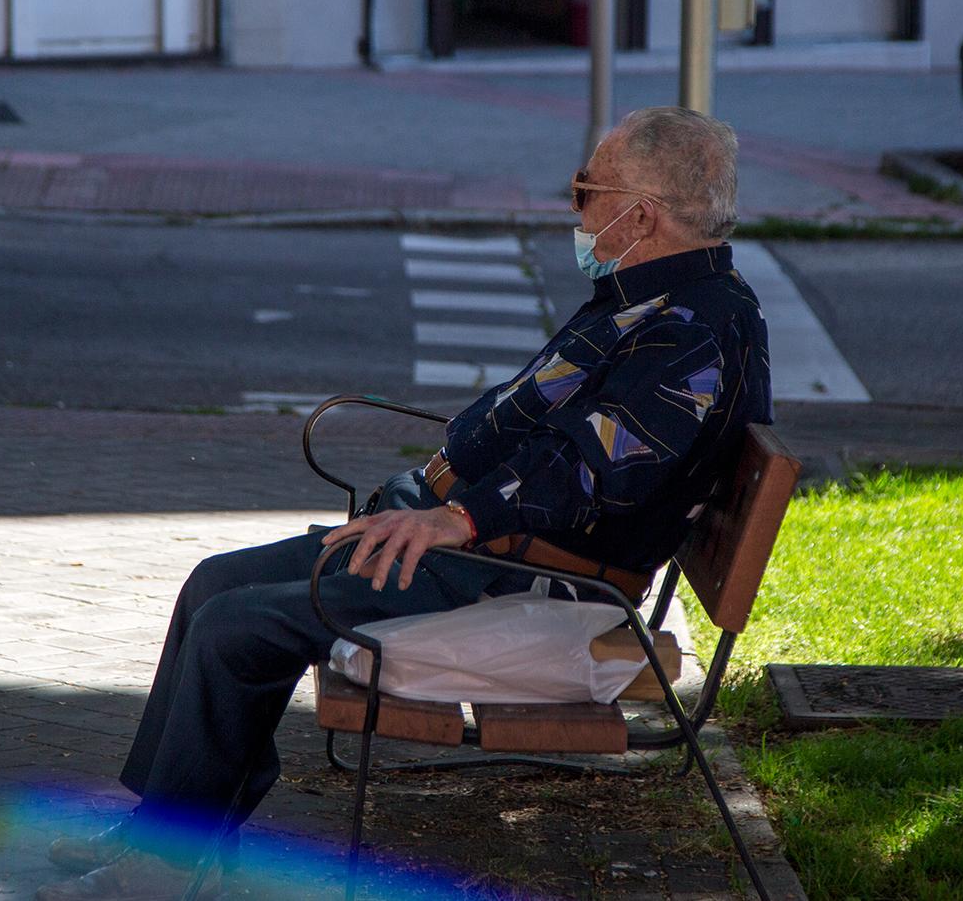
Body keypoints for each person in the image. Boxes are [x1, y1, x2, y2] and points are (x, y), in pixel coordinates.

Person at [38, 106, 773, 901]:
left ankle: (162, 871)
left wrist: (456, 517)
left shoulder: (697, 328)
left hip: (522, 573)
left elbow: (592, 469)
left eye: (585, 190)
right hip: (475, 542)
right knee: (214, 582)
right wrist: (441, 494)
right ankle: (171, 834)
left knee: (235, 627)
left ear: (643, 215)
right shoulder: (655, 295)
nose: (576, 209)